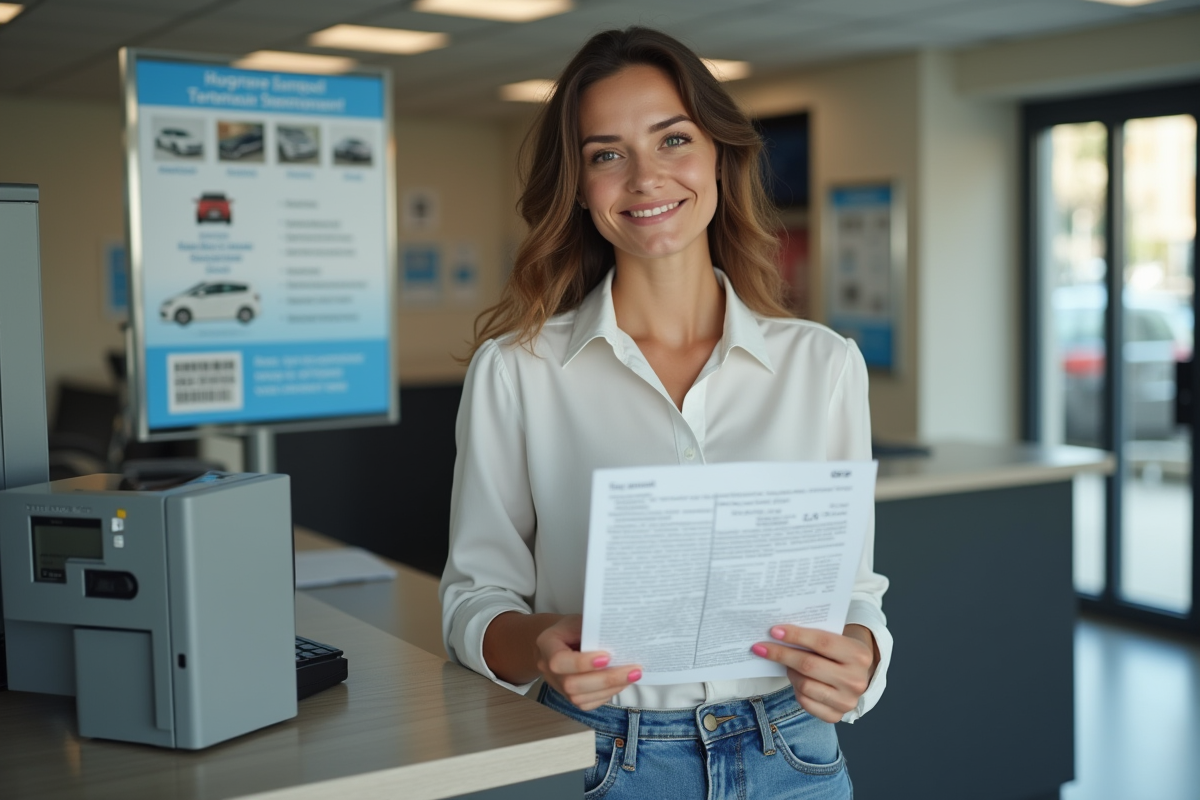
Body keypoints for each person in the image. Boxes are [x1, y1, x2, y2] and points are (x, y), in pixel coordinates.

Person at [440, 26, 892, 799]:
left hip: (795, 756)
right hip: (603, 759)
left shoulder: (823, 365)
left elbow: (853, 593)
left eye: (673, 139)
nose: (646, 177)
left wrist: (864, 656)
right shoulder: (518, 371)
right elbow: (472, 602)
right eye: (606, 155)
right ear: (579, 186)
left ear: (718, 155)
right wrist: (539, 645)